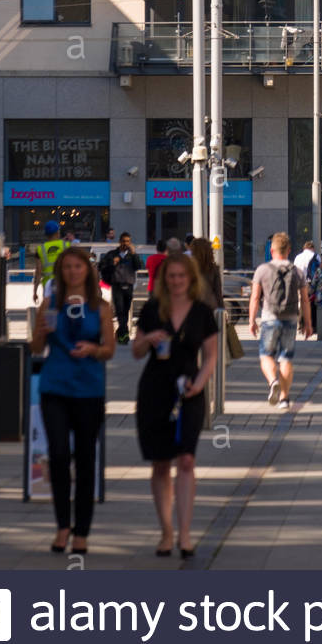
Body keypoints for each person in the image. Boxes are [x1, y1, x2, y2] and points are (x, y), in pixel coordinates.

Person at [30, 247, 115, 555]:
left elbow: (110, 349)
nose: (72, 272)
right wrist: (40, 331)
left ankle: (82, 531)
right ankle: (62, 526)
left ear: (87, 270)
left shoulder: (101, 307)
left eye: (78, 266)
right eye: (67, 267)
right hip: (54, 387)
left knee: (85, 459)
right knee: (59, 454)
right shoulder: (50, 305)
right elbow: (36, 349)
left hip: (89, 390)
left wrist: (93, 350)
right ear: (61, 272)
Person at [133, 253, 218, 559]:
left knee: (186, 461)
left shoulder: (202, 312)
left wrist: (202, 381)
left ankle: (184, 534)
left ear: (191, 278)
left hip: (190, 392)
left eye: (182, 275)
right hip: (155, 391)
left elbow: (210, 356)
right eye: (171, 275)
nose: (177, 280)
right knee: (160, 463)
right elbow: (135, 351)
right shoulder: (152, 309)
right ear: (164, 279)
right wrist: (149, 339)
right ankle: (166, 532)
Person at [248, 231, 312, 412]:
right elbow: (305, 300)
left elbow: (254, 298)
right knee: (286, 359)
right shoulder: (297, 271)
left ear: (272, 249)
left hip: (269, 318)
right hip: (291, 319)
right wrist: (308, 323)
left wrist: (252, 320)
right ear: (289, 250)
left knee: (266, 355)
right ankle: (284, 399)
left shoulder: (262, 269)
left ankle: (273, 381)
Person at [100, 232, 142, 344]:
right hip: (117, 285)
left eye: (128, 241)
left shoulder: (132, 255)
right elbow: (102, 267)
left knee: (126, 310)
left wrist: (134, 254)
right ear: (120, 242)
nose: (125, 244)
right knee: (119, 311)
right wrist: (112, 263)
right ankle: (124, 335)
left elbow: (138, 266)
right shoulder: (112, 254)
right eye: (124, 241)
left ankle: (121, 333)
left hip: (128, 286)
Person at [33, 221, 70, 302]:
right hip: (64, 283)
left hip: (48, 286)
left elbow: (38, 272)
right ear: (58, 232)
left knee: (49, 312)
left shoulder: (40, 249)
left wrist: (35, 292)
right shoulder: (66, 246)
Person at [189, 237, 224, 311]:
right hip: (210, 306)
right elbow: (218, 293)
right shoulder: (214, 269)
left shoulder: (187, 268)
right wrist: (222, 309)